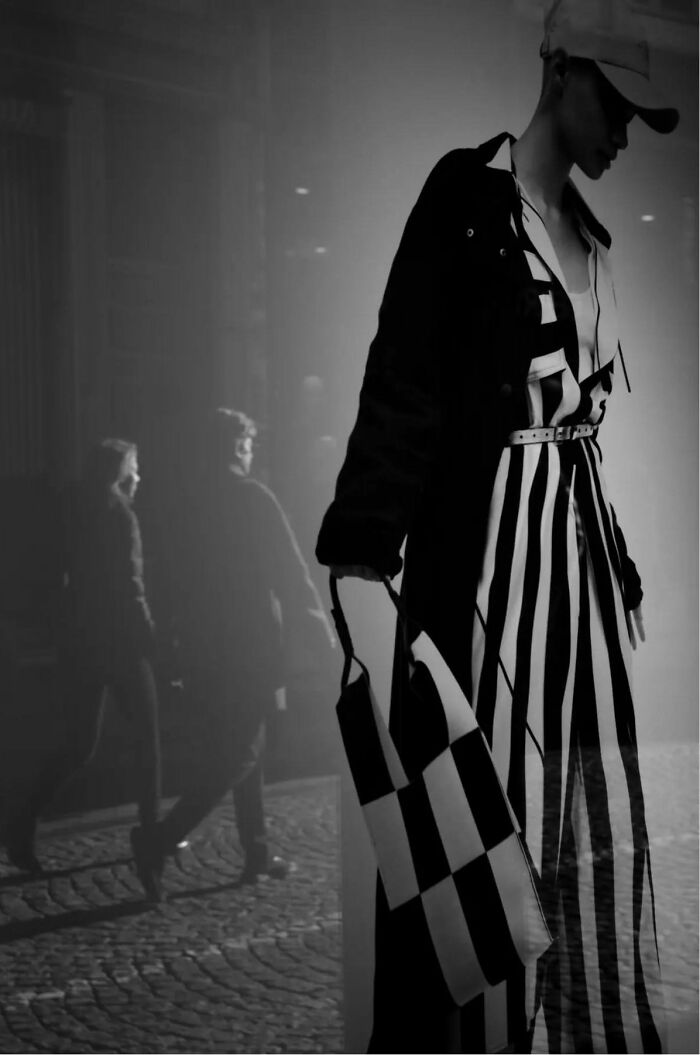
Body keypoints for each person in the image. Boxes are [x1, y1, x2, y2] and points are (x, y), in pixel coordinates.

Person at [316, 1, 678, 1052]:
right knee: (481, 838)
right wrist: (360, 557)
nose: (621, 131)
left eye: (635, 115)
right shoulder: (466, 202)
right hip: (485, 579)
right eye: (611, 100)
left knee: (586, 834)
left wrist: (618, 563)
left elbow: (585, 440)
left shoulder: (596, 243)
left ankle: (580, 1035)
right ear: (559, 69)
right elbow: (404, 385)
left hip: (579, 600)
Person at [131, 408, 335, 891]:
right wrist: (323, 642)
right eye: (247, 445)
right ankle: (160, 837)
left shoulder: (187, 505)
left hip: (203, 647)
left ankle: (258, 850)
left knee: (242, 745)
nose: (250, 452)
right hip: (251, 646)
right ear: (236, 448)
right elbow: (290, 575)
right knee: (243, 750)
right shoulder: (253, 498)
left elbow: (168, 578)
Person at [0, 439, 162, 899]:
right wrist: (151, 637)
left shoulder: (70, 508)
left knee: (78, 744)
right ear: (122, 473)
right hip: (124, 646)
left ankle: (22, 819)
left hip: (80, 643)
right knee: (149, 747)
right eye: (136, 468)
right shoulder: (121, 515)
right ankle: (152, 851)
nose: (140, 478)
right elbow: (132, 588)